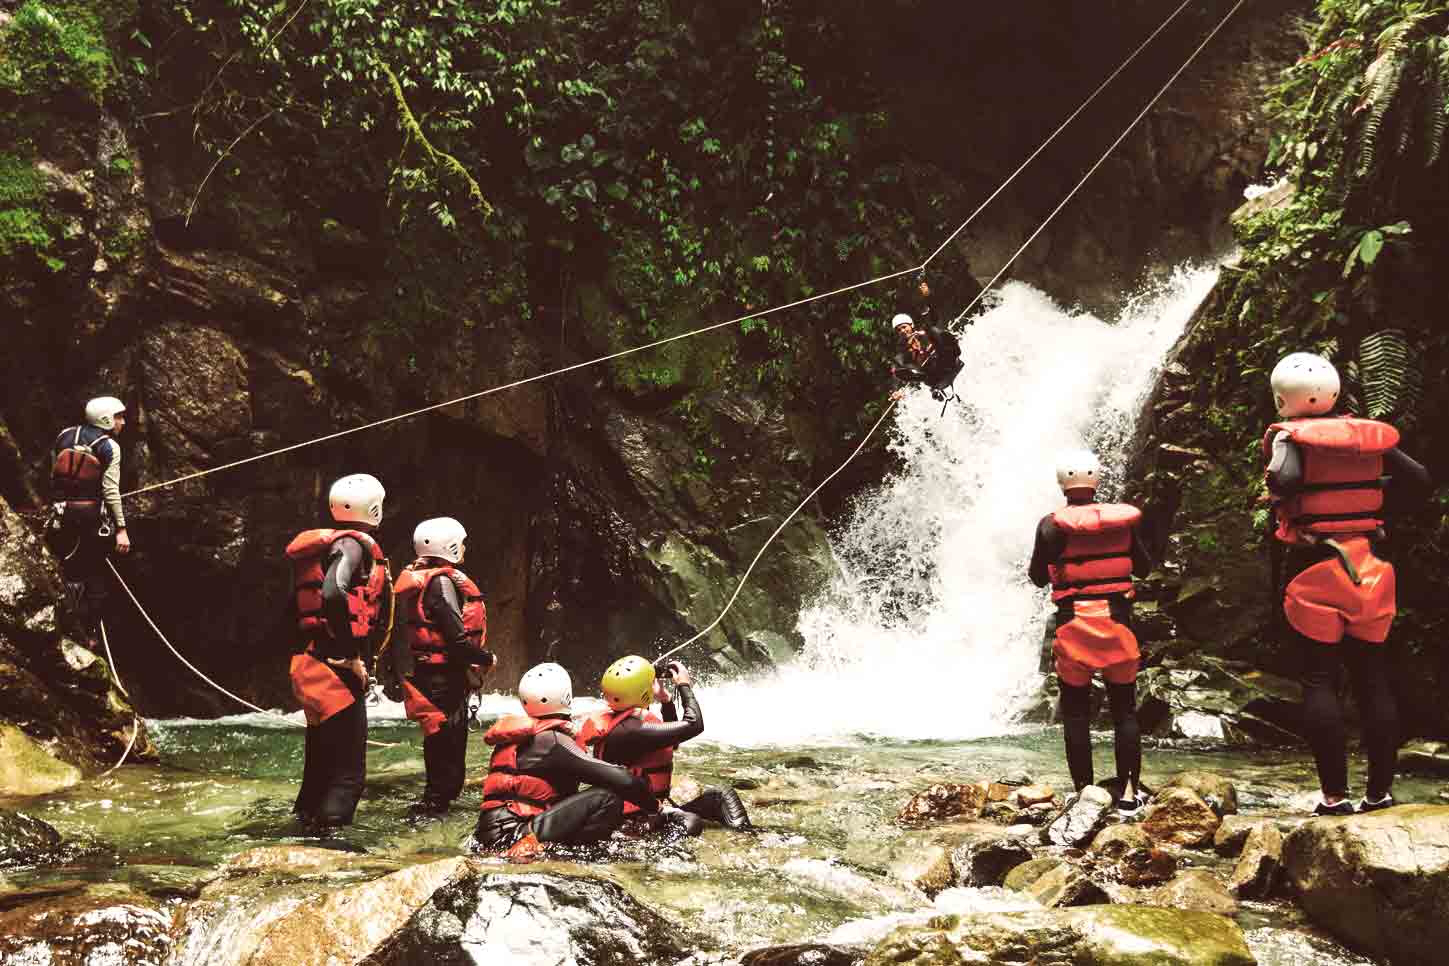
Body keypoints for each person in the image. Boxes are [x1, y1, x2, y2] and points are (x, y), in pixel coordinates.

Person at [1262, 352, 1430, 815]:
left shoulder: (1288, 437)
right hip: (1371, 569)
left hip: (1315, 571)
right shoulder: (1365, 436)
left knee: (1320, 679)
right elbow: (1419, 479)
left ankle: (1334, 797)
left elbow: (1287, 478)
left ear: (1282, 400)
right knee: (1372, 677)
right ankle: (1379, 793)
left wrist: (1279, 494)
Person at [1028, 449, 1153, 812]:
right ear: (1097, 481)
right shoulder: (1123, 522)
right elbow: (1142, 567)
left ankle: (1085, 792)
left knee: (1077, 713)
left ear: (1062, 484)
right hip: (1116, 623)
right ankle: (1129, 795)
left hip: (1074, 627)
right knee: (1124, 712)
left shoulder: (1051, 525)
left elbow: (1037, 576)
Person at [284, 473, 392, 831]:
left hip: (310, 663)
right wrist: (350, 655)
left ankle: (303, 827)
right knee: (348, 775)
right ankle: (330, 842)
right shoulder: (352, 546)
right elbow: (332, 592)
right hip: (335, 668)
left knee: (320, 764)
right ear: (373, 507)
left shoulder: (321, 547)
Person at [474, 663, 660, 859]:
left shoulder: (520, 738)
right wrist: (656, 808)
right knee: (606, 798)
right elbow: (622, 779)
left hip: (491, 835)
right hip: (514, 837)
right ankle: (578, 860)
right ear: (566, 697)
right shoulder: (552, 742)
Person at [385, 516, 496, 816]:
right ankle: (434, 808)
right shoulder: (442, 582)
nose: (463, 548)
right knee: (447, 746)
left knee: (439, 744)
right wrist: (487, 659)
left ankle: (435, 803)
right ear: (448, 545)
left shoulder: (423, 578)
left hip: (431, 675)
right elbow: (457, 641)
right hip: (444, 679)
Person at [577, 656, 751, 835]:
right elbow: (694, 724)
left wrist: (666, 700)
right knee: (699, 815)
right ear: (642, 691)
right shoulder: (631, 730)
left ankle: (746, 837)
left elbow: (672, 741)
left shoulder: (623, 723)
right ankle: (746, 839)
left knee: (720, 795)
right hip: (636, 819)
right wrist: (684, 685)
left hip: (646, 811)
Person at [47, 396, 132, 646]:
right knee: (95, 573)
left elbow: (55, 474)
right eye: (119, 417)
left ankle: (69, 623)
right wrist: (121, 529)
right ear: (106, 419)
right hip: (92, 520)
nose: (123, 422)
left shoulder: (64, 435)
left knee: (69, 568)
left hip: (62, 515)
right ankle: (90, 634)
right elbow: (110, 491)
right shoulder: (110, 447)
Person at [888, 313, 963, 402]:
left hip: (949, 363)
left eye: (904, 327)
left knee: (935, 332)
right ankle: (936, 387)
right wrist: (895, 390)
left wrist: (926, 334)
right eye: (899, 330)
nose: (902, 331)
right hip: (934, 377)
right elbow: (896, 371)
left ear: (911, 325)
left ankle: (953, 350)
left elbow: (935, 329)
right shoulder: (903, 351)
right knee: (903, 370)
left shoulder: (927, 334)